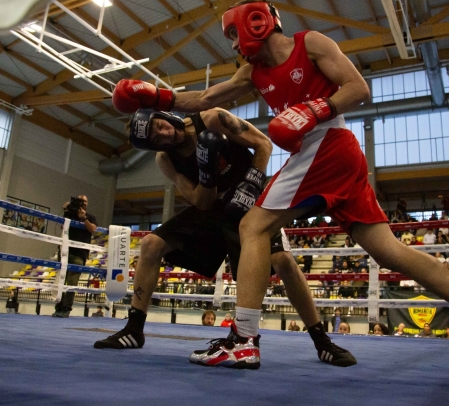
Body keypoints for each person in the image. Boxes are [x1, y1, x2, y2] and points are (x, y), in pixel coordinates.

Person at [112, 0, 449, 383]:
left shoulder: (309, 43)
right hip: (332, 155)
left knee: (254, 226)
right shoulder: (252, 72)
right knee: (388, 251)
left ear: (254, 23)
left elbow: (357, 88)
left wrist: (315, 108)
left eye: (233, 34)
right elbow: (204, 98)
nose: (234, 44)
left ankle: (242, 340)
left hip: (328, 143)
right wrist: (155, 96)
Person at [93, 108, 354, 368]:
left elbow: (263, 144)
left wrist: (251, 184)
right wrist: (207, 172)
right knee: (151, 244)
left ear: (163, 116)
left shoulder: (213, 119)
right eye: (155, 138)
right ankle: (134, 329)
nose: (163, 135)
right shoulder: (167, 160)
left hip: (250, 201)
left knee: (283, 261)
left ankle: (322, 342)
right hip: (213, 207)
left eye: (158, 126)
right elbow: (200, 202)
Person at [52, 195, 97, 318]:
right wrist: (67, 209)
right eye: (80, 201)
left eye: (84, 201)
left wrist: (83, 218)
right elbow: (62, 226)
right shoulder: (70, 215)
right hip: (65, 251)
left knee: (72, 282)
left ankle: (66, 308)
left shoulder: (90, 217)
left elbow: (93, 230)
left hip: (79, 254)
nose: (82, 203)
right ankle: (58, 307)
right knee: (61, 280)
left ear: (87, 203)